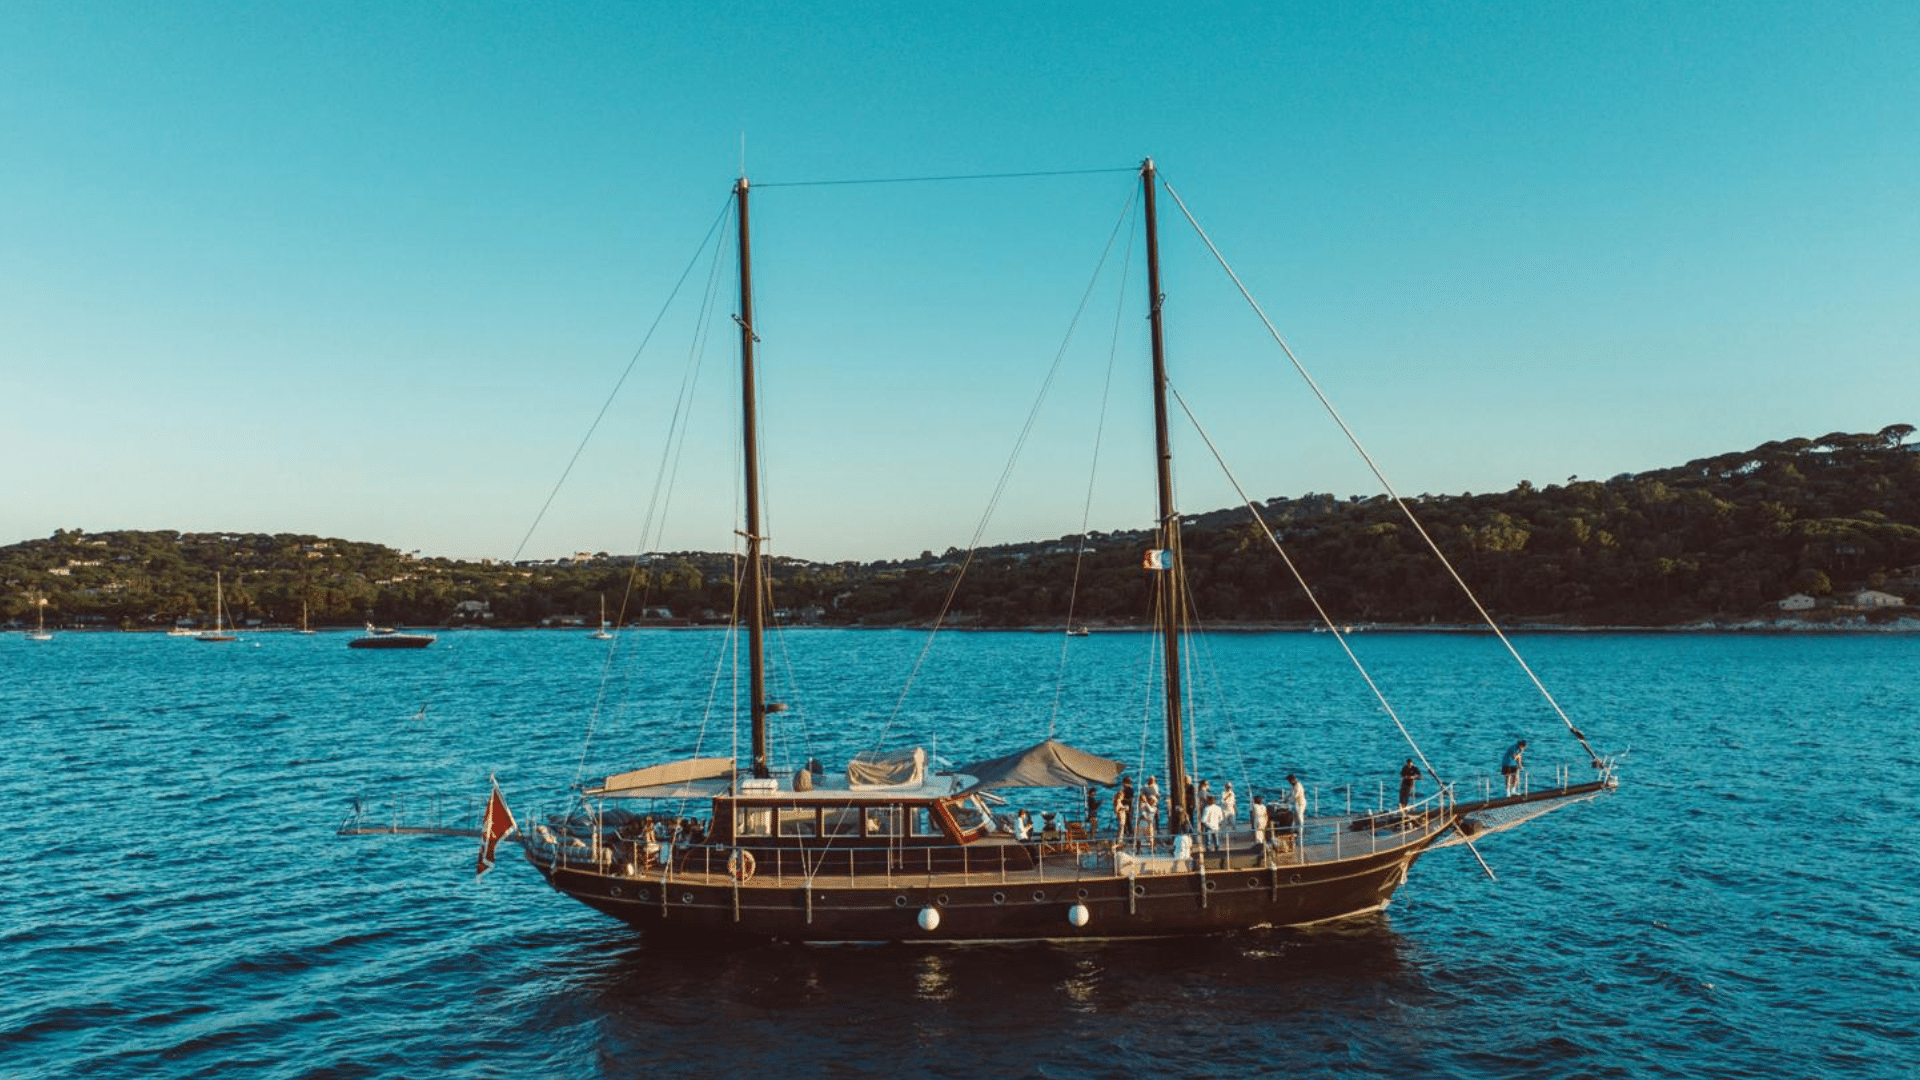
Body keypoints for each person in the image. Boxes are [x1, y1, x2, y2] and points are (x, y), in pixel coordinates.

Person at [1138, 778, 1160, 848]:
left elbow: (1151, 810)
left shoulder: (1154, 808)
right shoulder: (1144, 805)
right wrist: (1143, 802)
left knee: (1151, 836)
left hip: (1150, 822)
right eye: (1151, 801)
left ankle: (1152, 848)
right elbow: (1142, 811)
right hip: (1145, 822)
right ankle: (1138, 848)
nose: (1152, 802)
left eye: (1153, 801)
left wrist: (1146, 803)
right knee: (1139, 836)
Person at [1288, 774, 1308, 844]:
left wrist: (1289, 800)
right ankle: (1296, 830)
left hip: (1301, 803)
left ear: (1292, 780)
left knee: (1300, 817)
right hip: (1297, 803)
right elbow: (1291, 793)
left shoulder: (1298, 786)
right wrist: (1287, 797)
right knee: (1296, 817)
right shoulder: (1293, 786)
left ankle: (1301, 831)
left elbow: (1295, 795)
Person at [1113, 777, 1134, 841]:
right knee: (1124, 824)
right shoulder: (1124, 790)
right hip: (1123, 807)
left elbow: (1130, 800)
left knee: (1127, 822)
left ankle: (1128, 835)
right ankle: (1124, 836)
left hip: (1127, 807)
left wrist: (1123, 801)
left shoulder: (1129, 790)